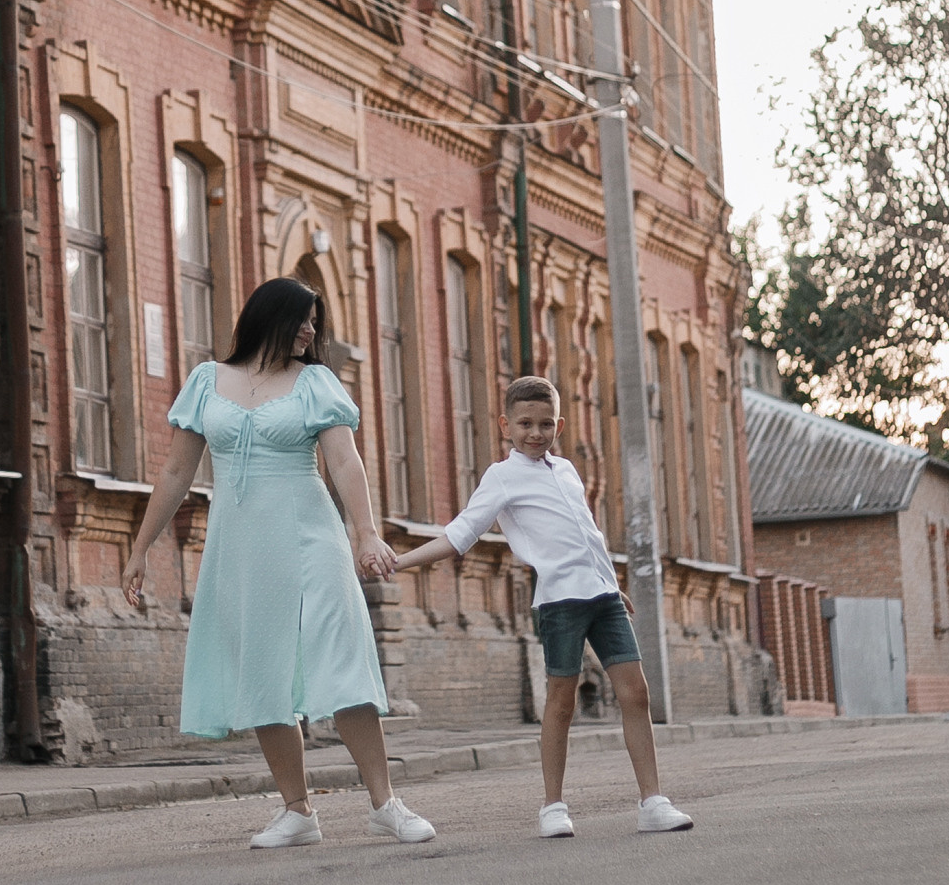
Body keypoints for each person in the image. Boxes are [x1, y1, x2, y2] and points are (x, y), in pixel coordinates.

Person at [122, 276, 437, 850]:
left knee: (342, 660)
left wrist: (365, 533)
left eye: (316, 321)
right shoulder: (206, 381)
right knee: (261, 670)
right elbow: (175, 474)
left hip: (312, 532)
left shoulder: (315, 381)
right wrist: (141, 548)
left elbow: (345, 464)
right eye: (304, 319)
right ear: (269, 317)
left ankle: (386, 805)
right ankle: (297, 811)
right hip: (240, 543)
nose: (312, 331)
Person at [389, 373, 694, 840]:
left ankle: (653, 802)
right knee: (561, 703)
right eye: (526, 423)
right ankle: (553, 807)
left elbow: (587, 533)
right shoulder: (502, 477)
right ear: (505, 425)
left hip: (603, 597)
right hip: (560, 602)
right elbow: (460, 534)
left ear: (560, 426)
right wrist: (398, 563)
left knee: (636, 694)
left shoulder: (567, 470)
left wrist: (613, 583)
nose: (536, 433)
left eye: (546, 424)